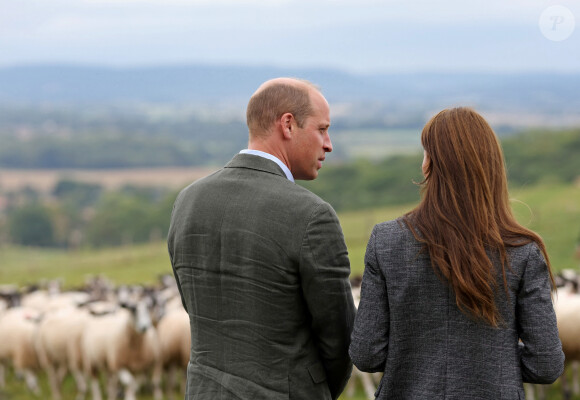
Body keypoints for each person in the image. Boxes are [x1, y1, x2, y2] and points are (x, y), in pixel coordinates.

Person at [349, 107, 564, 399]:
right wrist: (491, 361)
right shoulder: (523, 252)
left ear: (430, 165)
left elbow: (366, 354)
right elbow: (546, 365)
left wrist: (417, 359)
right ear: (492, 167)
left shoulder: (385, 241)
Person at [168, 77, 356, 400]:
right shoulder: (311, 215)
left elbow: (195, 307)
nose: (329, 144)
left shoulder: (187, 201)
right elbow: (340, 339)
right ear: (288, 125)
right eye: (322, 129)